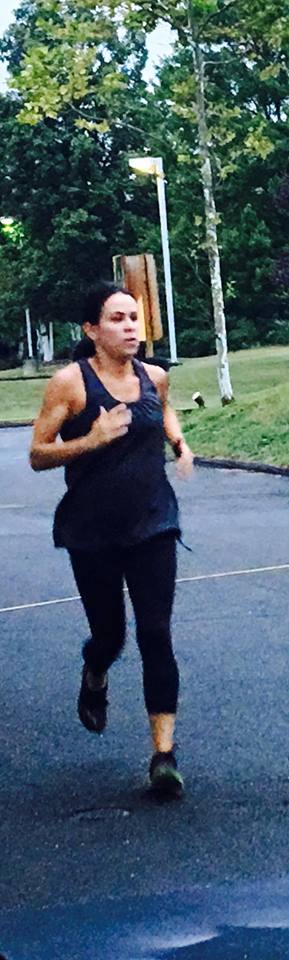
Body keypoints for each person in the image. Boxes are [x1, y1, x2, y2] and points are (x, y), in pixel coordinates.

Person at [30, 282, 193, 797]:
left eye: (134, 318)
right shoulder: (70, 384)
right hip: (92, 531)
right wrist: (91, 440)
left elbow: (163, 408)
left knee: (156, 633)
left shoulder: (155, 376)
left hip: (153, 523)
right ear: (92, 330)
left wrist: (179, 442)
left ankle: (163, 756)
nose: (130, 327)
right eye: (118, 319)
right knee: (110, 636)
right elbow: (37, 452)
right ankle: (95, 671)